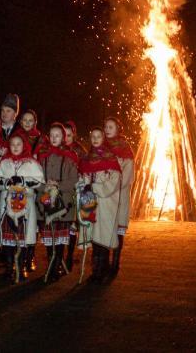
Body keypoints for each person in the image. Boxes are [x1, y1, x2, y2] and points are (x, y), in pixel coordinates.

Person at [0, 133, 44, 280]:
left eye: (19, 144)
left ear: (24, 146)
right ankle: (9, 267)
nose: (15, 147)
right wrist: (6, 183)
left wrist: (23, 180)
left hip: (24, 207)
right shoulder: (4, 163)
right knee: (8, 239)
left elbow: (39, 181)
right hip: (7, 206)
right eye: (13, 144)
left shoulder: (31, 163)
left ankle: (21, 266)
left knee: (22, 239)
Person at [79, 127, 122, 282]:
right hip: (92, 204)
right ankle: (95, 271)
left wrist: (95, 187)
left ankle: (103, 270)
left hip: (106, 205)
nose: (95, 139)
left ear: (103, 138)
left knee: (103, 238)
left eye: (99, 136)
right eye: (93, 137)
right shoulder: (87, 159)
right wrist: (84, 185)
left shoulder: (110, 159)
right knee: (95, 238)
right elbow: (83, 178)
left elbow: (113, 183)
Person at [37, 122, 79, 277]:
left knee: (60, 238)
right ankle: (51, 263)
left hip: (64, 204)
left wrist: (58, 185)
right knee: (49, 236)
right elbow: (37, 178)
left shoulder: (69, 157)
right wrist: (45, 186)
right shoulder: (42, 157)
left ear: (63, 138)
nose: (54, 138)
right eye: (52, 135)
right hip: (47, 201)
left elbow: (74, 180)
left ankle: (57, 264)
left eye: (58, 135)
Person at [104, 116, 135, 275]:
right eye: (106, 127)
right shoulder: (101, 147)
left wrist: (112, 186)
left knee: (117, 231)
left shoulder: (125, 149)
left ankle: (115, 263)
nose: (107, 129)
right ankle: (102, 264)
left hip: (119, 197)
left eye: (111, 127)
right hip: (104, 198)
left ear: (118, 129)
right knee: (103, 232)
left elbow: (127, 175)